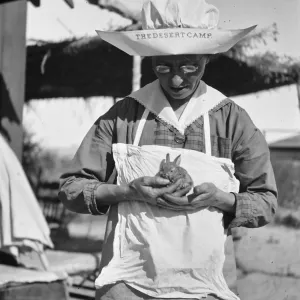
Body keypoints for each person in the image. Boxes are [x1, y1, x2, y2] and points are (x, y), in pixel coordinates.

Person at [58, 0, 277, 299]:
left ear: (208, 57)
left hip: (206, 287)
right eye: (164, 66)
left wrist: (221, 198)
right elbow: (71, 189)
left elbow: (265, 201)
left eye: (190, 66)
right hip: (127, 286)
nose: (176, 79)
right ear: (150, 59)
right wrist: (128, 192)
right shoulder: (124, 115)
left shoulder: (231, 120)